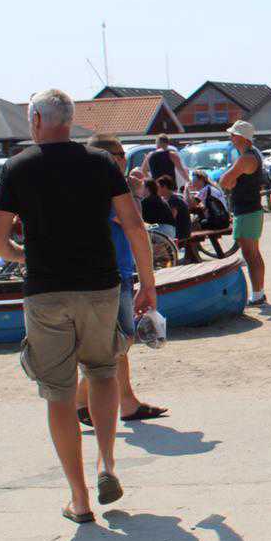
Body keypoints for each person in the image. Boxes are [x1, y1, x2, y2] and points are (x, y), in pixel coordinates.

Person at [0, 89, 156, 524]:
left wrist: (26, 256)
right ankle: (106, 463)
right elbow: (135, 227)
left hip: (46, 292)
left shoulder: (17, 167)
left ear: (37, 122)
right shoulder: (100, 163)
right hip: (100, 287)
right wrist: (147, 285)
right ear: (69, 120)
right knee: (102, 374)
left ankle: (79, 500)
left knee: (59, 394)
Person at [76, 136, 168, 428]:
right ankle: (80, 399)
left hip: (112, 273)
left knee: (117, 344)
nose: (124, 159)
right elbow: (134, 223)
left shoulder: (90, 185)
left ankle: (127, 402)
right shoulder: (106, 187)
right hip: (112, 275)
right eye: (120, 154)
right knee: (119, 342)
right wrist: (136, 194)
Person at [219, 120, 266, 306]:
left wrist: (232, 181)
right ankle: (259, 293)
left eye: (233, 135)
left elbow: (224, 181)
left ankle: (258, 295)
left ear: (241, 137)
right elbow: (228, 181)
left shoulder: (246, 158)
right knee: (253, 254)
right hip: (249, 210)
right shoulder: (249, 155)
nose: (230, 138)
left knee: (251, 255)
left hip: (247, 211)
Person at [156, 175, 191, 242]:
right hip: (181, 230)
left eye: (158, 187)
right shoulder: (170, 198)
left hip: (181, 232)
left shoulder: (173, 200)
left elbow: (171, 219)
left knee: (154, 234)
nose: (156, 190)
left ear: (165, 187)